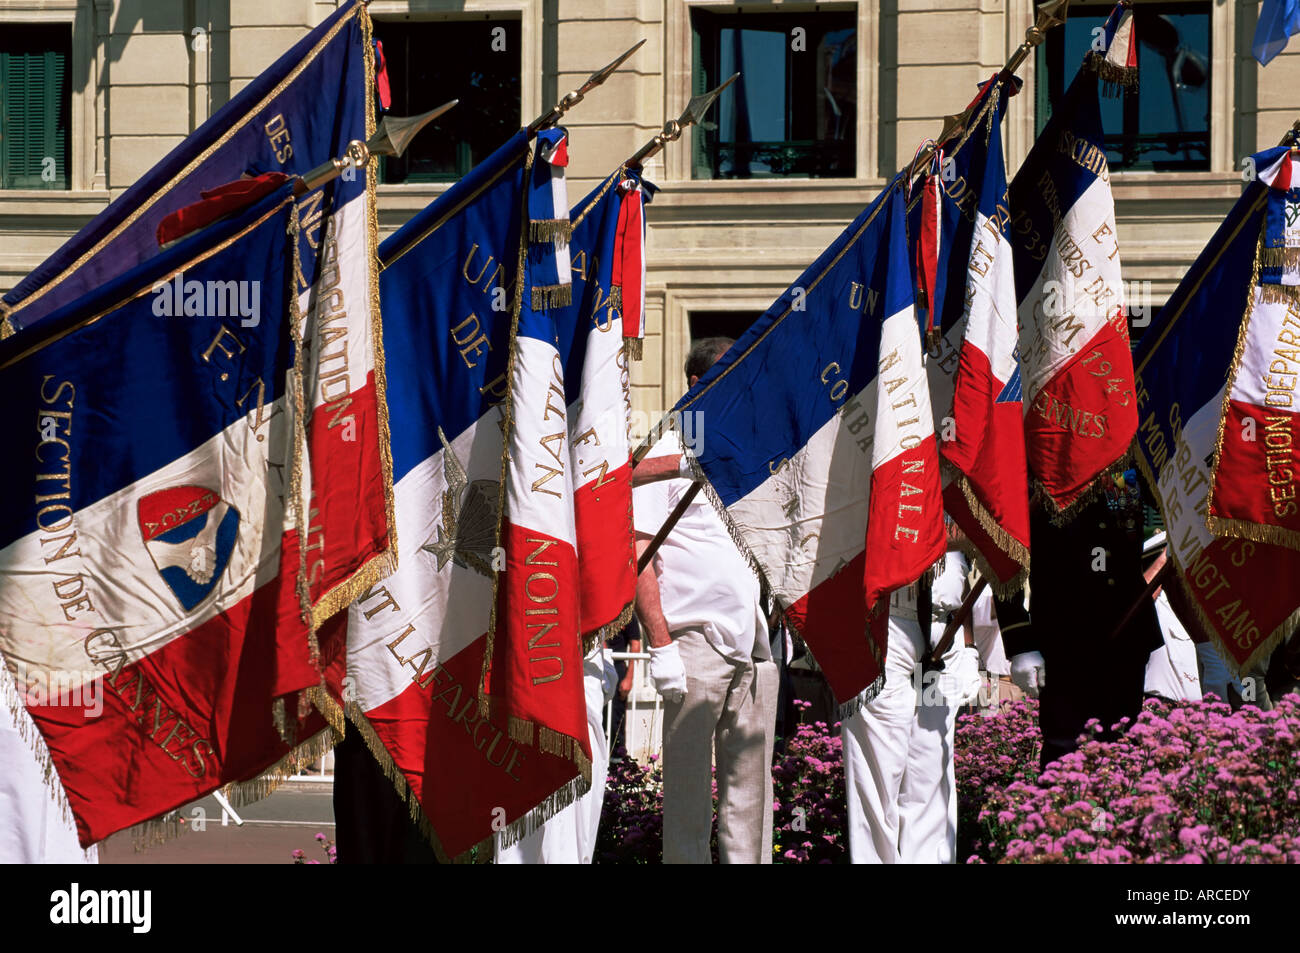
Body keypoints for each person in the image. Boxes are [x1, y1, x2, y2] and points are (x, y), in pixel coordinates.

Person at [632, 336, 778, 864]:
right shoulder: (665, 444)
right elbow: (638, 548)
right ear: (697, 384)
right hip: (691, 643)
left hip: (753, 643)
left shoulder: (748, 451)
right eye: (730, 376)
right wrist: (661, 643)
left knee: (750, 805)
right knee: (689, 806)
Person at [1003, 470, 1164, 769]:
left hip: (1127, 633)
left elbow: (1173, 500)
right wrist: (1019, 639)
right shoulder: (1039, 458)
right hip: (1064, 640)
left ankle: (1115, 816)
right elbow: (1004, 545)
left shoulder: (1130, 456)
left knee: (1121, 753)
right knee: (1066, 756)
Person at [839, 538, 982, 864]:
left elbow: (965, 575)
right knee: (877, 777)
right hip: (887, 621)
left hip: (945, 632)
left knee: (930, 775)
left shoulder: (954, 487)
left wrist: (970, 647)